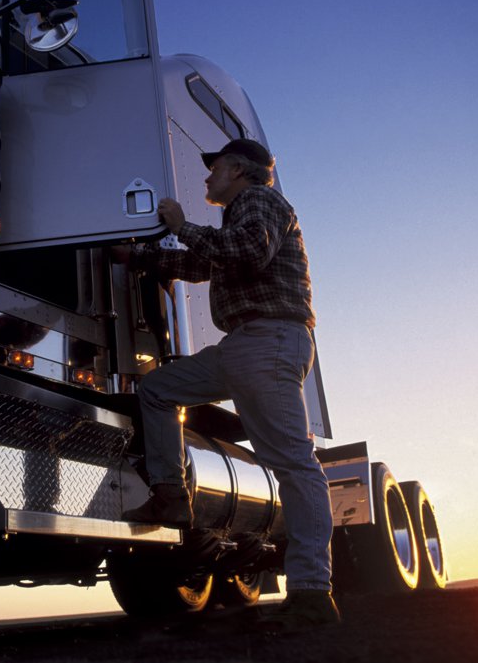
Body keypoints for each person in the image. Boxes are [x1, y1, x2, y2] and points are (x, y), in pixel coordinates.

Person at [115, 138, 340, 628]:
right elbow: (203, 264)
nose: (206, 177)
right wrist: (138, 260)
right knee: (157, 390)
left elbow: (247, 251)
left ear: (238, 169)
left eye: (213, 168)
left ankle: (312, 591)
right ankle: (173, 494)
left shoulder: (259, 201)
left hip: (269, 338)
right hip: (245, 345)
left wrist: (181, 226)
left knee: (293, 465)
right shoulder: (238, 212)